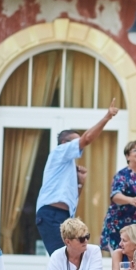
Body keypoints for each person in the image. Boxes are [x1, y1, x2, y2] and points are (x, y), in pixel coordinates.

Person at [35, 99, 119, 254]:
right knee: (62, 257)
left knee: (73, 258)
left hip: (64, 216)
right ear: (64, 143)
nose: (80, 146)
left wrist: (80, 183)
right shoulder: (59, 152)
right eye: (75, 141)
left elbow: (71, 200)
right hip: (51, 214)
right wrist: (107, 117)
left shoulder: (67, 166)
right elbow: (87, 139)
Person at [100, 140, 136, 251]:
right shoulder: (123, 174)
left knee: (134, 260)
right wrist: (131, 200)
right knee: (120, 259)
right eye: (135, 150)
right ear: (127, 156)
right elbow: (115, 195)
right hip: (119, 226)